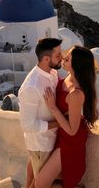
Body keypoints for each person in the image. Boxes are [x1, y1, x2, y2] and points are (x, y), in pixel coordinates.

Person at [36, 46, 98, 188]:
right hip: (59, 132)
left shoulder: (76, 94)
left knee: (42, 182)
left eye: (68, 58)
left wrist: (52, 107)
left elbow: (72, 130)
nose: (63, 59)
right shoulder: (66, 78)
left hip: (70, 140)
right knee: (42, 174)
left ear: (76, 65)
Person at [18, 38, 63, 188]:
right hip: (41, 144)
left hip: (52, 139)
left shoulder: (53, 74)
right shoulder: (31, 86)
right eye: (58, 55)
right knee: (42, 183)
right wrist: (61, 123)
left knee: (36, 177)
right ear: (46, 58)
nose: (61, 58)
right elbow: (27, 125)